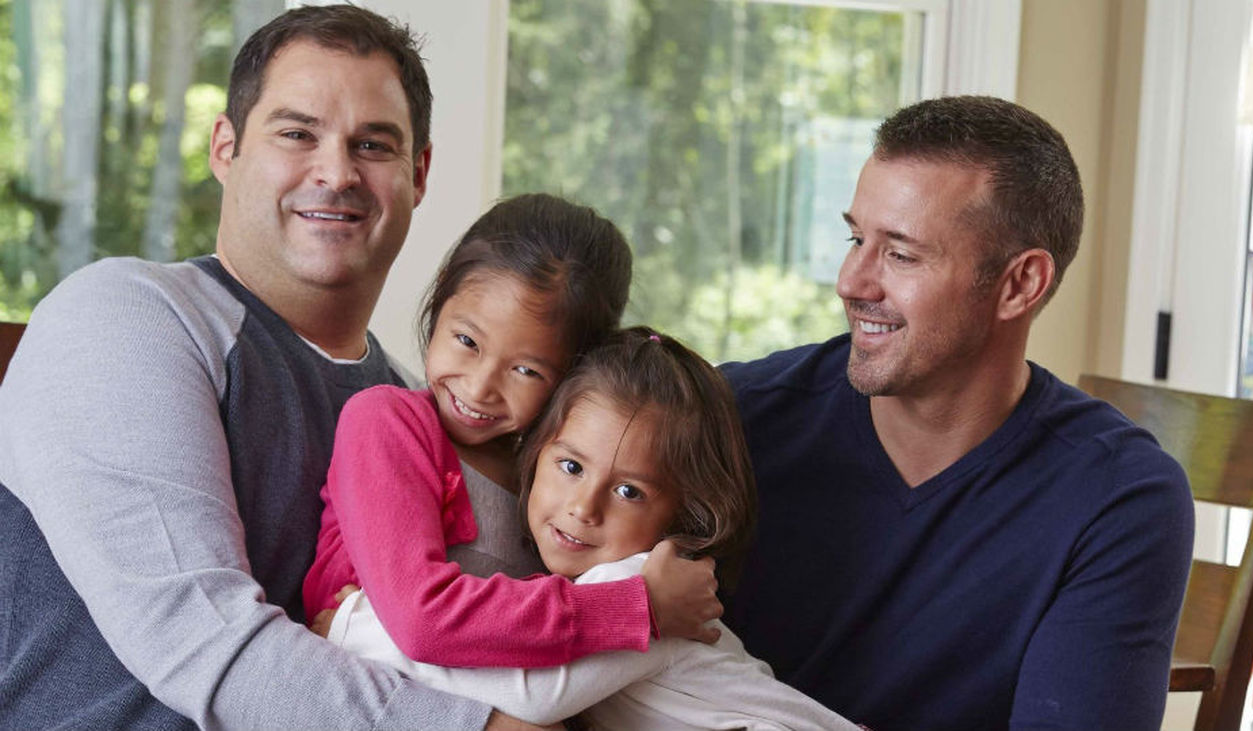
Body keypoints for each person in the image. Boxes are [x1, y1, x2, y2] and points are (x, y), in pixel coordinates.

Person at [0, 6, 717, 730]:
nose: (337, 172)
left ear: (418, 173)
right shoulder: (130, 315)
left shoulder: (430, 413)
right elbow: (200, 637)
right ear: (225, 146)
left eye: (372, 145)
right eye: (296, 133)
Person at [719, 95, 1196, 730]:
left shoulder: (1117, 498)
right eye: (856, 238)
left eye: (901, 254)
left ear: (1020, 284)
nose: (851, 282)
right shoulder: (728, 421)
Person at [320, 327, 859, 730]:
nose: (584, 507)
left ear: (682, 517)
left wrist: (355, 627)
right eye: (571, 466)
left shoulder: (645, 588)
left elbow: (532, 697)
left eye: (629, 492)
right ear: (534, 453)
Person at [302, 193, 723, 669]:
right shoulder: (386, 422)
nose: (480, 388)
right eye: (467, 340)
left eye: (526, 371)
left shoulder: (554, 476)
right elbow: (423, 621)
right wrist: (638, 608)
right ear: (441, 298)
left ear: (574, 375)